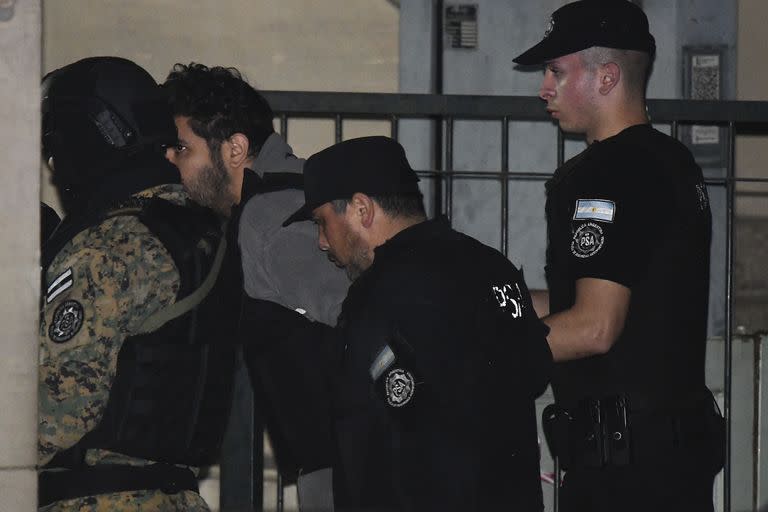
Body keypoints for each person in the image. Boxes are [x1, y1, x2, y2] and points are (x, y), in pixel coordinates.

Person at [513, 1, 724, 511]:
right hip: (666, 455)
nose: (545, 88)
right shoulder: (670, 161)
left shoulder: (606, 173)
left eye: (557, 72)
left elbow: (593, 327)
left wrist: (483, 349)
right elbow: (614, 296)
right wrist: (500, 302)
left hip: (626, 471)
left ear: (607, 77)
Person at [282, 136, 553, 511]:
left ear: (361, 209)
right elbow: (535, 371)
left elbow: (365, 439)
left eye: (323, 222)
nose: (322, 242)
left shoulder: (378, 293)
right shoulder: (493, 267)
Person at [39, 57, 242, 511]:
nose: (54, 165)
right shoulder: (204, 235)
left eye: (57, 146)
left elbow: (57, 415)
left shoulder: (106, 248)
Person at [162, 63, 349, 504]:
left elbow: (366, 321)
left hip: (349, 467)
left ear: (235, 149)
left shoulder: (266, 220)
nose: (171, 161)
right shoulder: (293, 193)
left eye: (183, 149)